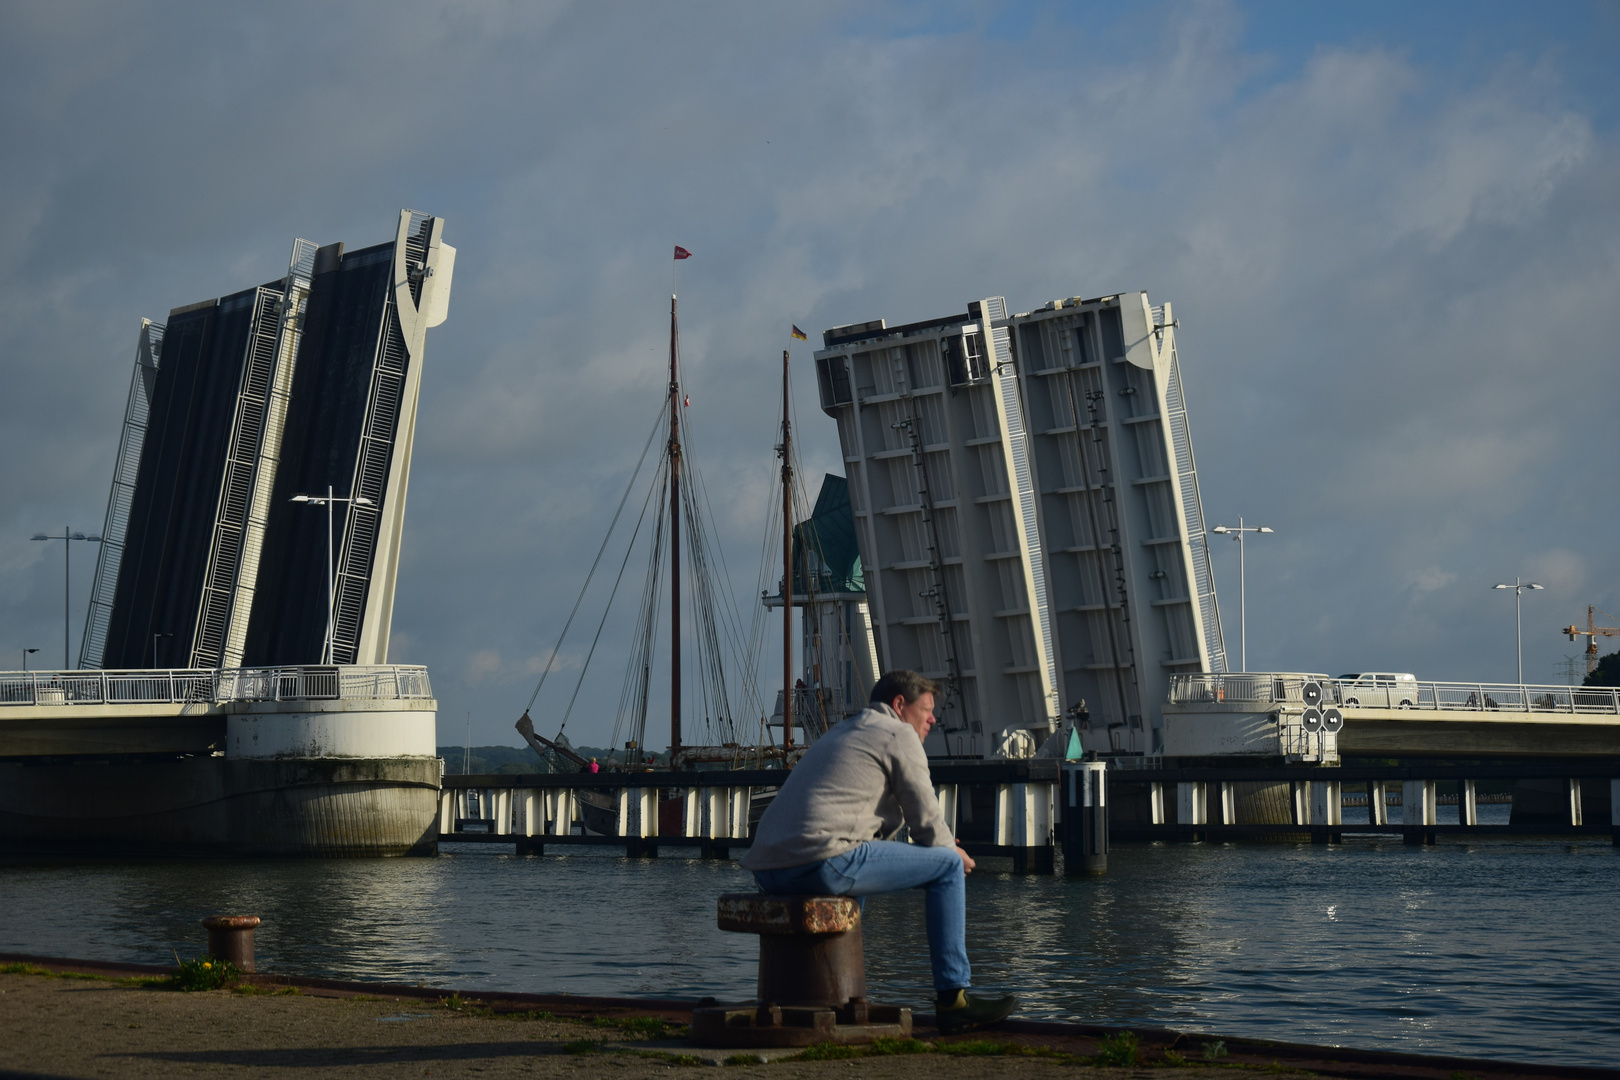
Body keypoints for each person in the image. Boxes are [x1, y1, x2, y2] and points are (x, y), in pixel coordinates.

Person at [741, 669, 1017, 1034]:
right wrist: (953, 854)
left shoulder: (844, 731)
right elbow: (926, 818)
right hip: (822, 860)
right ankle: (954, 1000)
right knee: (948, 866)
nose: (933, 719)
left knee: (873, 865)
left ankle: (830, 990)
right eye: (927, 709)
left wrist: (937, 847)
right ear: (900, 705)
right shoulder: (897, 733)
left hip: (769, 869)